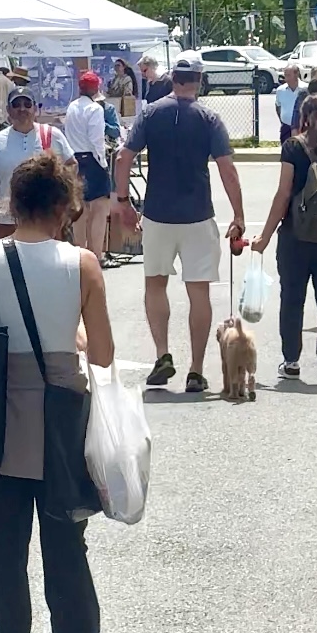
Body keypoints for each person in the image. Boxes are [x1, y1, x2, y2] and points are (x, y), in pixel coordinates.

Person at [0, 151, 119, 633]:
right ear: (64, 206)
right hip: (59, 414)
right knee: (64, 538)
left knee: (2, 548)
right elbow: (103, 353)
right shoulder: (83, 263)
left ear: (14, 203)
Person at [112, 52, 245, 394]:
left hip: (157, 213)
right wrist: (238, 214)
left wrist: (124, 201)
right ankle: (197, 370)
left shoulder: (151, 114)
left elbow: (123, 157)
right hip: (198, 213)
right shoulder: (209, 118)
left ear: (173, 79)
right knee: (198, 291)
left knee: (155, 284)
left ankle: (162, 354)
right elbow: (227, 169)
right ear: (199, 81)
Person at [251, 90, 317, 384]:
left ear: (305, 117)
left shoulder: (294, 148)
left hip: (296, 237)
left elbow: (284, 193)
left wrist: (265, 236)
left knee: (293, 299)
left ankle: (292, 361)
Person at [0, 89, 74, 239]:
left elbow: (71, 165)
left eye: (27, 104)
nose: (22, 109)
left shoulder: (52, 135)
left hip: (46, 219)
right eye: (16, 105)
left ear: (35, 109)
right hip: (8, 219)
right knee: (6, 260)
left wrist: (65, 199)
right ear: (8, 110)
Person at [63, 70, 112, 260]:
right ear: (96, 88)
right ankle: (96, 254)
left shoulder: (71, 107)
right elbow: (96, 139)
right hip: (92, 159)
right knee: (99, 209)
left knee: (79, 210)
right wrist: (103, 163)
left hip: (74, 158)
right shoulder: (95, 109)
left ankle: (80, 253)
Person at [275, 62, 302, 144]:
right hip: (286, 128)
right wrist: (283, 120)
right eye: (285, 75)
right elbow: (278, 106)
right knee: (285, 152)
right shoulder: (280, 90)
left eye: (289, 75)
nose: (286, 78)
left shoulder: (305, 89)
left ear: (296, 74)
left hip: (301, 128)